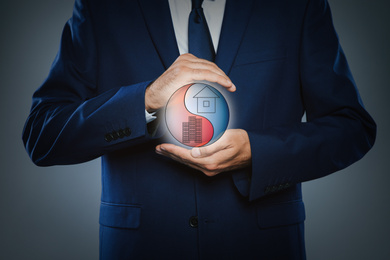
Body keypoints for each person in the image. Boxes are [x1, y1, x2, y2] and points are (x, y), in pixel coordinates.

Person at [22, 0, 376, 259]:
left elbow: (352, 126)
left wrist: (258, 152)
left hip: (262, 247)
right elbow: (42, 134)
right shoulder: (102, 8)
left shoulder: (295, 6)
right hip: (141, 248)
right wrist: (143, 101)